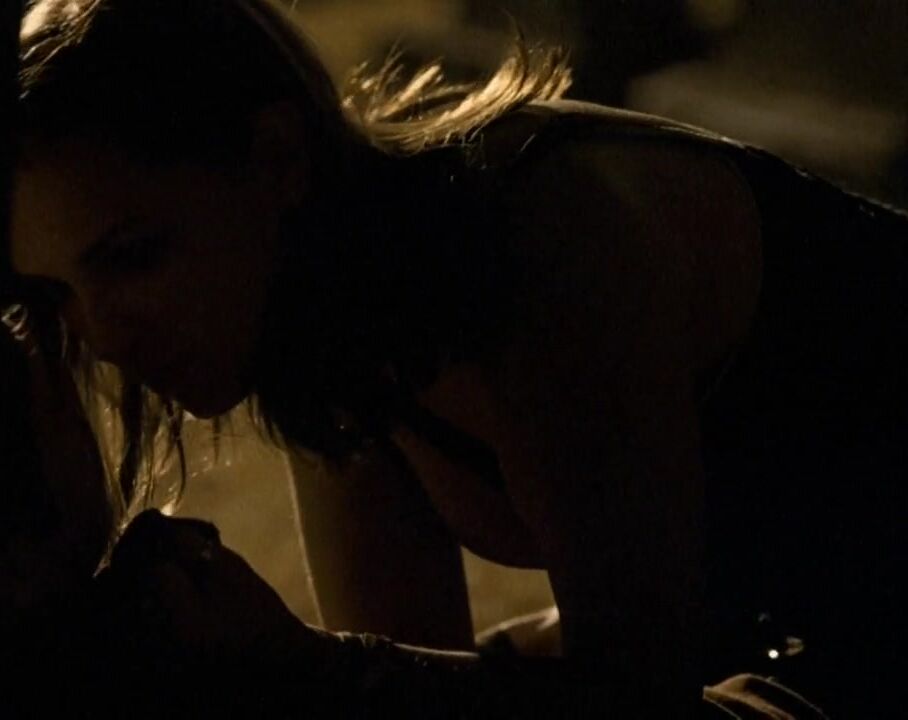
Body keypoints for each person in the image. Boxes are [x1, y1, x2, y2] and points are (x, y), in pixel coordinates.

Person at [7, 0, 908, 716]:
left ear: (277, 160)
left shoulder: (540, 246)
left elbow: (641, 697)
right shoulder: (326, 343)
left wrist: (298, 664)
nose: (103, 336)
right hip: (806, 627)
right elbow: (397, 660)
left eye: (133, 257)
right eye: (56, 295)